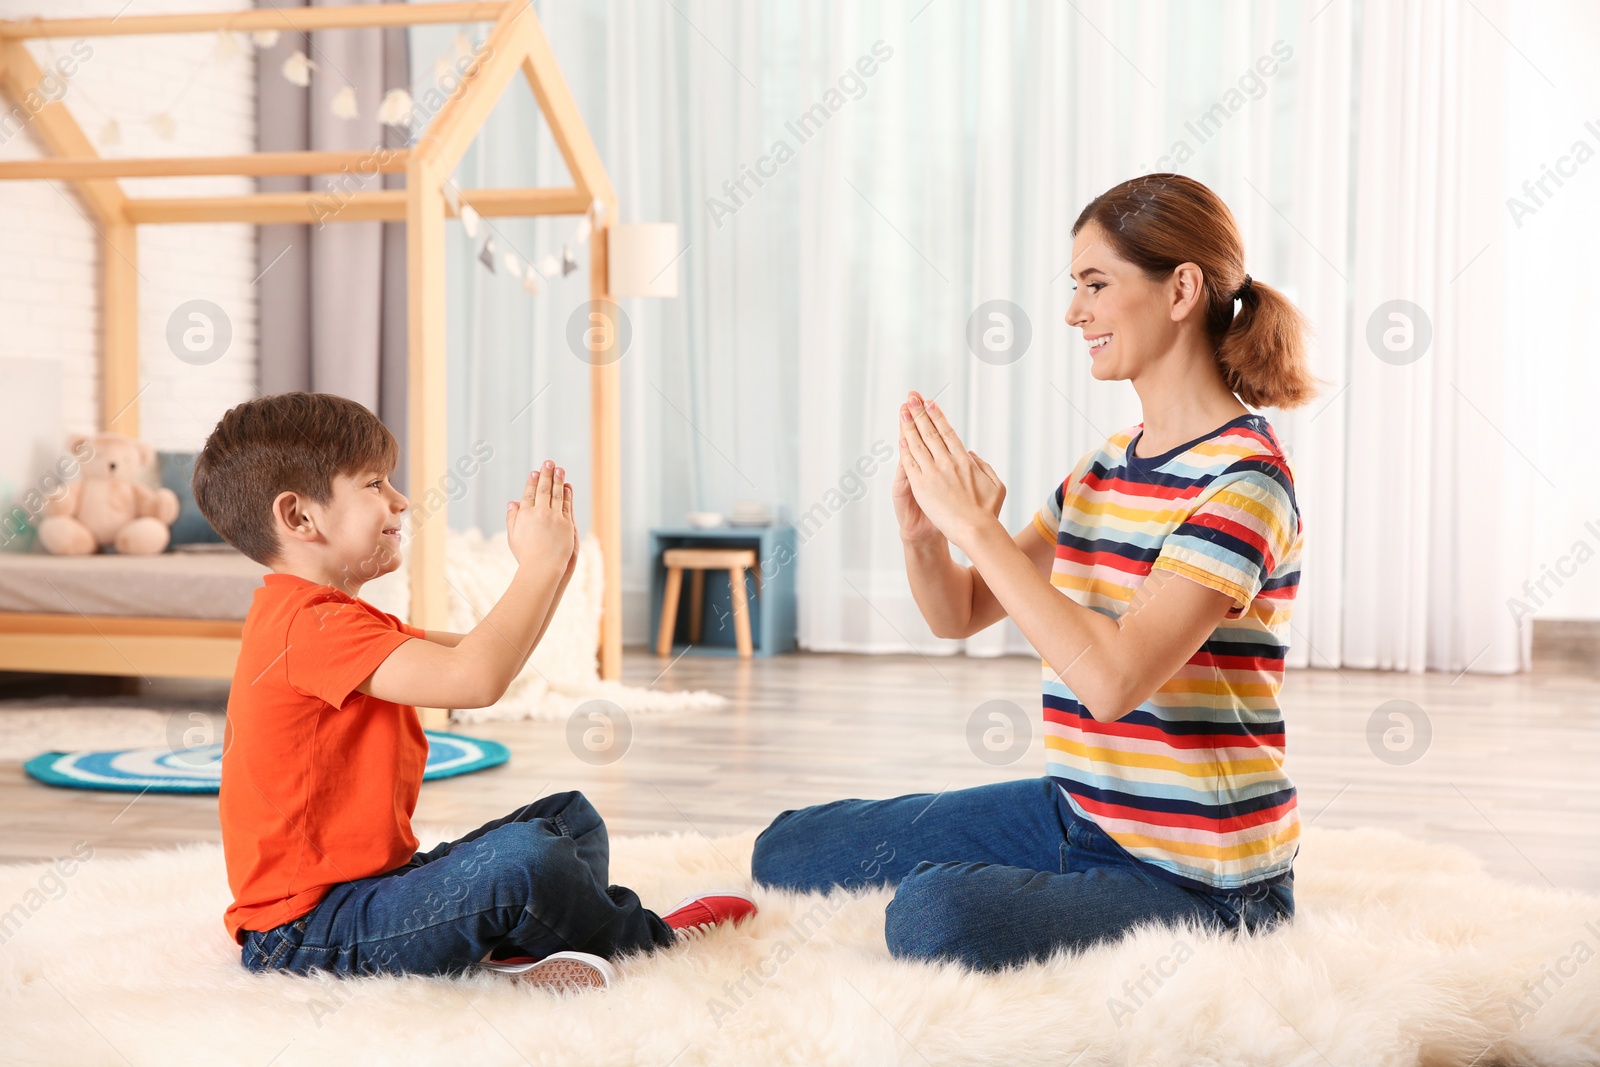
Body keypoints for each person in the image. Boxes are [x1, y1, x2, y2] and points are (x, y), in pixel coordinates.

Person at [751, 173, 1319, 971]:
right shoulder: (1103, 467)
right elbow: (959, 613)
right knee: (789, 850)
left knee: (933, 913)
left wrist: (978, 528)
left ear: (1181, 289)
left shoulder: (1245, 484)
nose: (1072, 311)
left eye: (1095, 284)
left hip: (1203, 878)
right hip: (1079, 813)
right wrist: (926, 537)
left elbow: (1115, 679)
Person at [194, 392, 754, 990]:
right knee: (528, 862)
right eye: (374, 483)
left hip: (374, 889)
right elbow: (475, 680)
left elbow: (476, 651)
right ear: (300, 517)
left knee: (569, 820)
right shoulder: (308, 626)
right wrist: (534, 571)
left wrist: (552, 572)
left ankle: (523, 948)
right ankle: (645, 942)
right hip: (306, 932)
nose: (400, 500)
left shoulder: (332, 616)